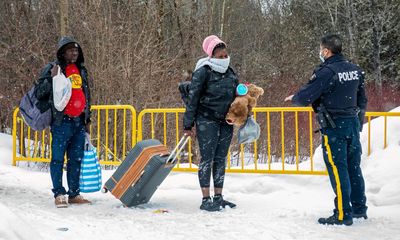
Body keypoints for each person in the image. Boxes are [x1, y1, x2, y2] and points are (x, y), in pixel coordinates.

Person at [285, 34, 368, 226]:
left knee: (338, 169)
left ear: (326, 51)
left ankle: (342, 213)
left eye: (321, 49)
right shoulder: (355, 69)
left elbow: (306, 96)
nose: (320, 52)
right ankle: (358, 207)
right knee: (353, 167)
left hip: (334, 125)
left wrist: (295, 98)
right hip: (352, 123)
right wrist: (358, 122)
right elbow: (362, 99)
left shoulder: (327, 72)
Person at [35, 36, 92, 208]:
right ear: (62, 52)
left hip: (79, 122)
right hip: (62, 122)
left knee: (76, 159)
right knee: (58, 159)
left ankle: (74, 193)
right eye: (70, 50)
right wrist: (52, 78)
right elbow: (40, 93)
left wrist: (88, 119)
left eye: (76, 50)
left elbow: (87, 95)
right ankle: (59, 193)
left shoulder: (81, 70)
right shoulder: (53, 68)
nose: (74, 53)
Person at [183, 35, 238, 211]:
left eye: (225, 56)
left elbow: (237, 94)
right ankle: (205, 199)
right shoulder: (203, 72)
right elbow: (193, 99)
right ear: (211, 56)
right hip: (206, 119)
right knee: (207, 158)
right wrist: (188, 125)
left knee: (221, 159)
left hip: (226, 121)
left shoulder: (231, 72)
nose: (224, 59)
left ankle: (218, 196)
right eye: (220, 56)